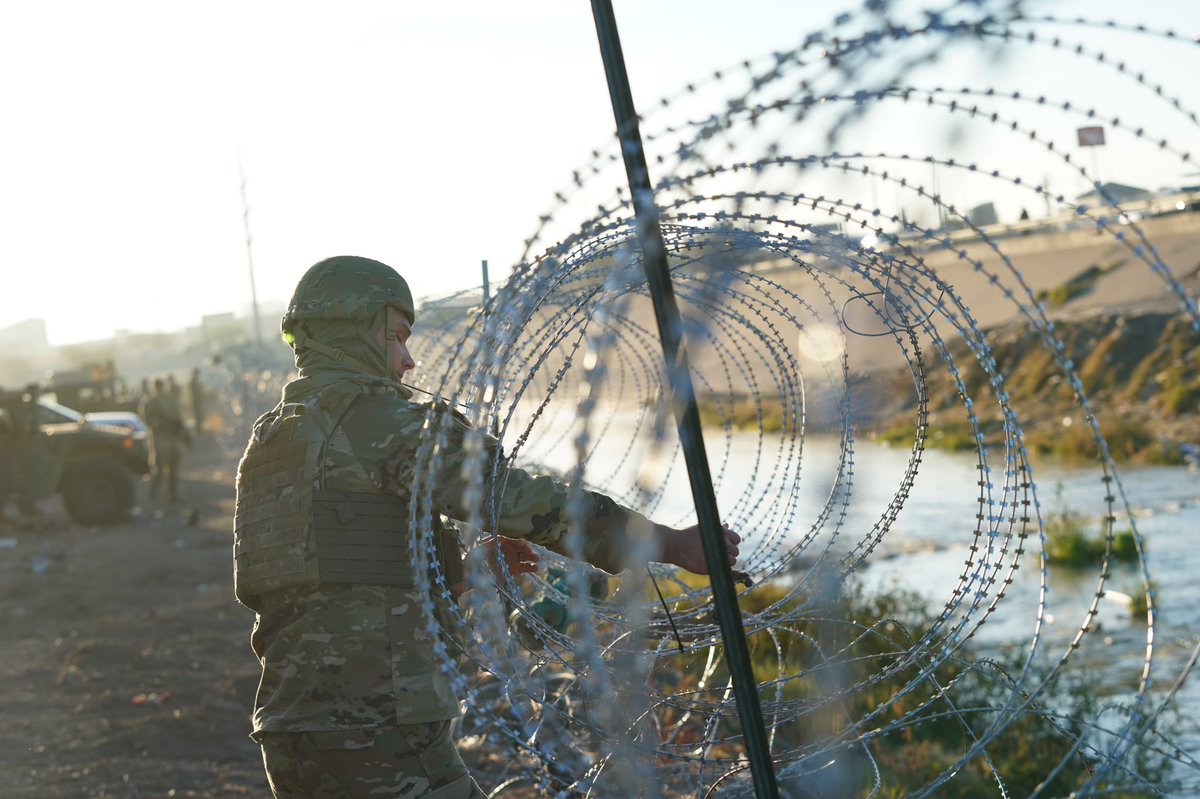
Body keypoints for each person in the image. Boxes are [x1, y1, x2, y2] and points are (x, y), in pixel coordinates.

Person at [233, 255, 741, 799]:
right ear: (356, 329)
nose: (407, 361)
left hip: (292, 724)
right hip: (378, 725)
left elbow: (332, 568)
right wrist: (670, 543)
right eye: (397, 337)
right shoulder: (377, 419)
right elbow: (522, 500)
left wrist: (466, 567)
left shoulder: (271, 442)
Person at [140, 377, 191, 502]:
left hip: (173, 438)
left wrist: (184, 435)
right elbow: (149, 421)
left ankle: (173, 495)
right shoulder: (151, 402)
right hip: (161, 439)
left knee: (174, 468)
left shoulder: (170, 401)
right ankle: (154, 495)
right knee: (159, 469)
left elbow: (179, 419)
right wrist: (163, 424)